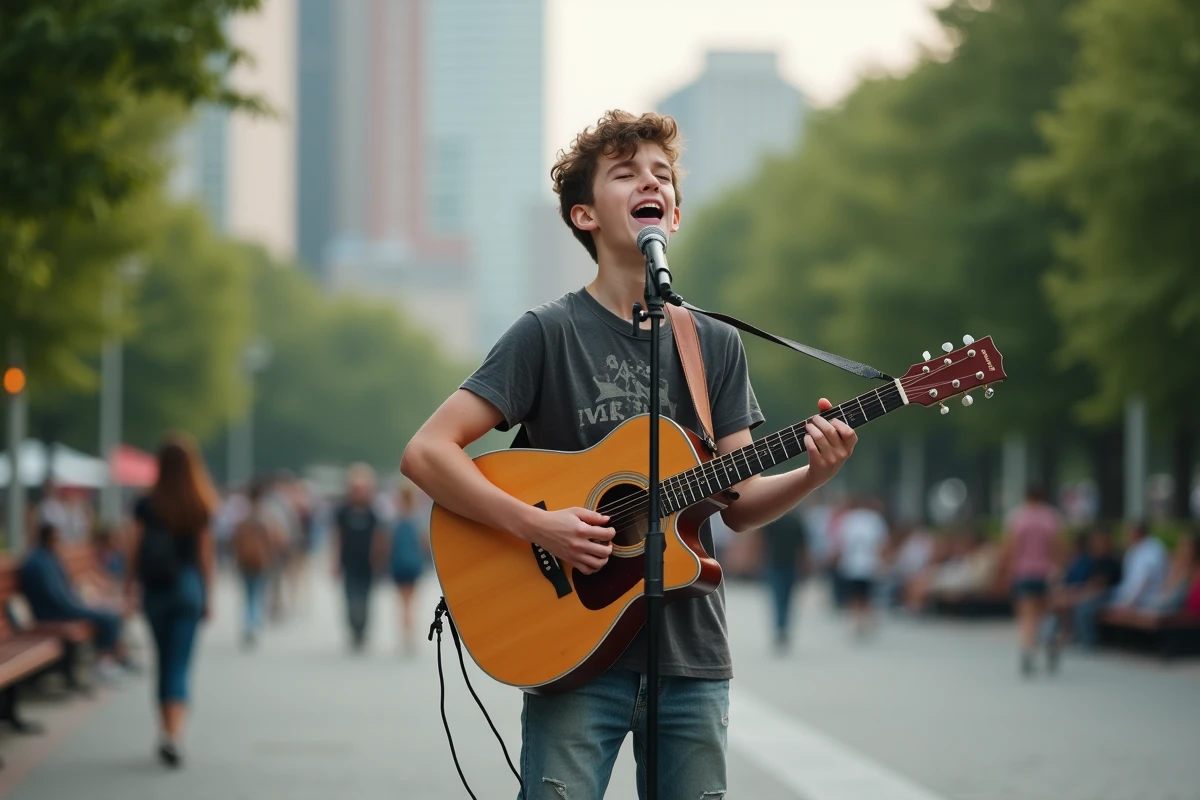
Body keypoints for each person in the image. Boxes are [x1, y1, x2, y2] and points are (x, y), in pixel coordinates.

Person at [400, 110, 858, 799]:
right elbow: (427, 452)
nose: (651, 182)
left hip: (691, 656)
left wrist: (814, 473)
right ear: (583, 215)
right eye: (626, 173)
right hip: (571, 650)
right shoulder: (546, 334)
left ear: (673, 214)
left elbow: (740, 502)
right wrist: (539, 525)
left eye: (662, 175)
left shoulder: (713, 344)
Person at [124, 434, 217, 768]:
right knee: (180, 662)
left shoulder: (146, 503)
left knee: (163, 661)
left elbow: (134, 548)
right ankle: (174, 735)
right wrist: (209, 594)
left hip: (156, 589)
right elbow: (205, 555)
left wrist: (128, 586)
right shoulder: (199, 502)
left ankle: (164, 730)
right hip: (188, 587)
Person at [18, 523, 132, 681]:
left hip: (64, 606)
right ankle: (104, 662)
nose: (60, 542)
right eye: (57, 538)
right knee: (109, 617)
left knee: (110, 613)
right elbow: (56, 597)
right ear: (49, 538)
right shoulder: (40, 562)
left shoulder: (47, 558)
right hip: (55, 612)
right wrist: (78, 605)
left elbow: (63, 589)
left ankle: (115, 657)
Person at [1003, 485, 1063, 676]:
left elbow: (1012, 547)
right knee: (1045, 614)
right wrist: (1058, 568)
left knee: (1027, 616)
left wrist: (1009, 570)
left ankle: (1028, 650)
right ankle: (1050, 643)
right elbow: (1057, 546)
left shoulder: (1018, 517)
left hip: (1023, 573)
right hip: (1046, 573)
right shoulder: (1051, 517)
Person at [332, 464, 386, 652]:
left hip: (367, 563)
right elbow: (338, 537)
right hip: (349, 562)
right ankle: (354, 628)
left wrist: (379, 559)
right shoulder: (343, 511)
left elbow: (379, 537)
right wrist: (334, 561)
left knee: (365, 598)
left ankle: (362, 629)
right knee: (350, 598)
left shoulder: (373, 511)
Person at [232, 477, 285, 649]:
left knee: (248, 594)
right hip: (262, 562)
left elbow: (233, 540)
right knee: (258, 593)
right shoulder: (267, 516)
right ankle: (253, 623)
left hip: (245, 562)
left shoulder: (241, 515)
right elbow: (276, 539)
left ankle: (248, 622)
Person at [835, 497, 889, 637]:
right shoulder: (874, 519)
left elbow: (841, 542)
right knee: (866, 594)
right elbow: (881, 543)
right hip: (868, 563)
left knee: (855, 594)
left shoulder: (849, 519)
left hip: (852, 563)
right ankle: (863, 619)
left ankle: (858, 620)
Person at [759, 507, 808, 653]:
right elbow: (803, 547)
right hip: (788, 565)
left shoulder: (773, 518)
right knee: (787, 599)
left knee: (778, 598)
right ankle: (783, 628)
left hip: (776, 564)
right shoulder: (796, 520)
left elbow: (763, 542)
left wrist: (760, 560)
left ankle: (780, 628)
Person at [388, 483, 426, 655]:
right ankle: (410, 633)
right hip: (413, 564)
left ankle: (405, 634)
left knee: (403, 602)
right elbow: (423, 544)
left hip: (399, 564)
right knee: (411, 602)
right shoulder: (418, 520)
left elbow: (389, 544)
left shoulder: (395, 520)